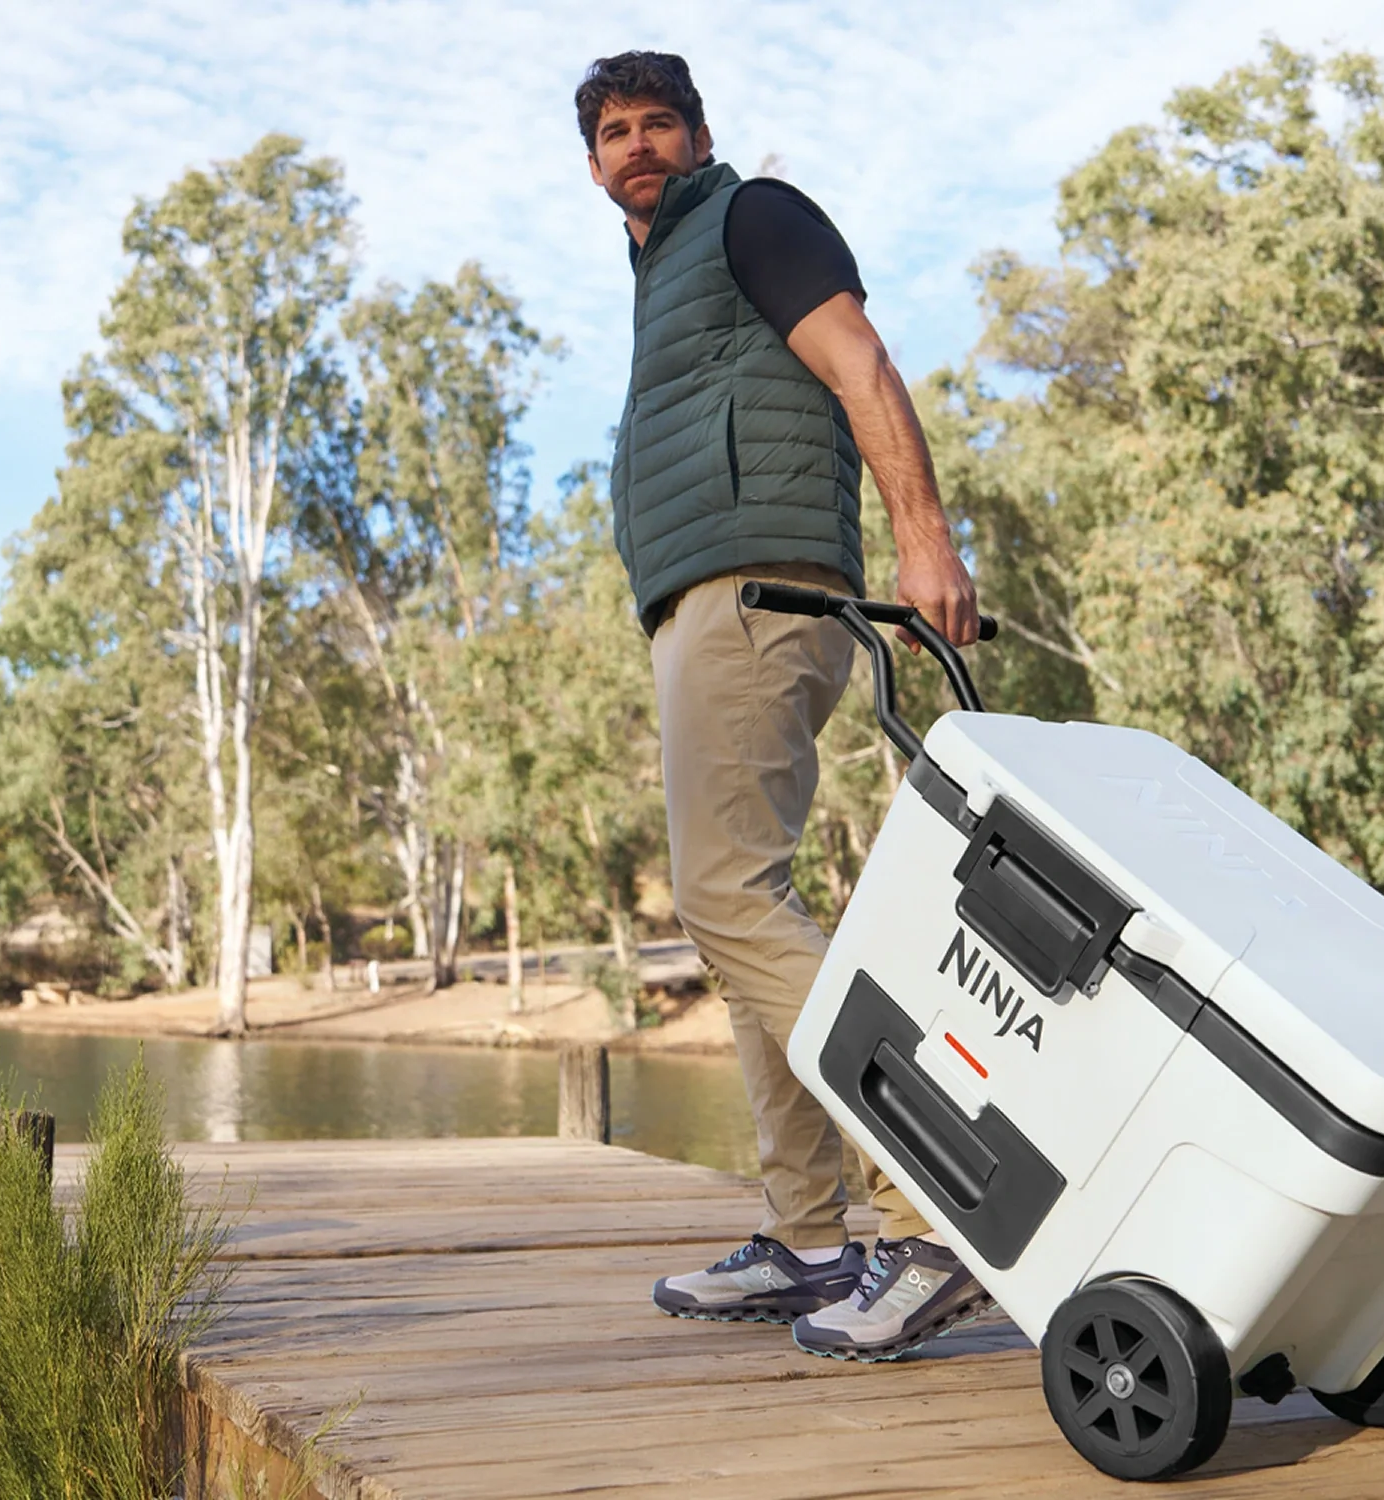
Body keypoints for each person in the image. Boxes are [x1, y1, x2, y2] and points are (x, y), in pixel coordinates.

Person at [572, 50, 991, 1360]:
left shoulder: (753, 216)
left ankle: (936, 1212)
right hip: (717, 603)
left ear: (699, 136)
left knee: (729, 902)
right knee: (746, 903)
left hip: (762, 595)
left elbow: (860, 363)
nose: (636, 145)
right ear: (591, 164)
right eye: (613, 131)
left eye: (657, 124)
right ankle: (812, 1240)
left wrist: (928, 544)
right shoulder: (666, 274)